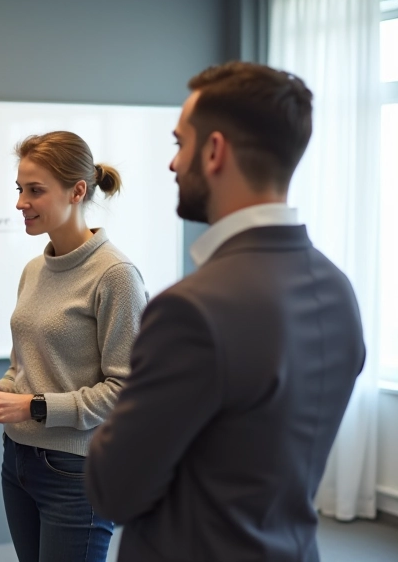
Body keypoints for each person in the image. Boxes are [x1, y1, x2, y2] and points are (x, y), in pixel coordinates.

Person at [85, 62, 366, 562]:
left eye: (179, 143)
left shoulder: (191, 310)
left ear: (213, 151)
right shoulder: (337, 288)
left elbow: (114, 490)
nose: (173, 165)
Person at [0, 131, 149, 562]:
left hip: (76, 471)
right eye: (20, 189)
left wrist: (34, 406)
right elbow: (26, 369)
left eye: (35, 190)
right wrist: (1, 389)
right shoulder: (33, 269)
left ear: (78, 191)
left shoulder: (115, 275)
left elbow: (127, 391)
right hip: (18, 461)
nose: (21, 202)